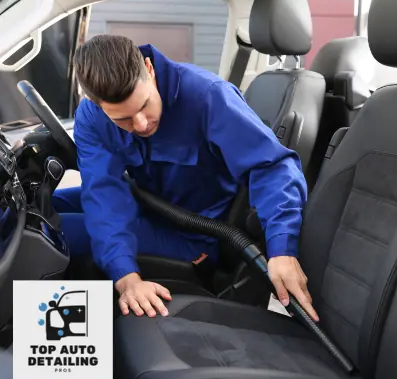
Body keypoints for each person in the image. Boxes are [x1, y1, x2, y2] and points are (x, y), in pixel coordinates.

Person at [53, 34, 318, 321]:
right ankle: (47, 356)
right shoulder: (92, 117)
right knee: (50, 207)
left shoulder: (207, 96)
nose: (140, 124)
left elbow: (272, 166)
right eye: (123, 120)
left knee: (50, 236)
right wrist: (126, 278)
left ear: (149, 70)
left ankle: (51, 352)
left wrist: (282, 248)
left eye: (144, 106)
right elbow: (103, 193)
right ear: (96, 105)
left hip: (195, 234)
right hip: (147, 206)